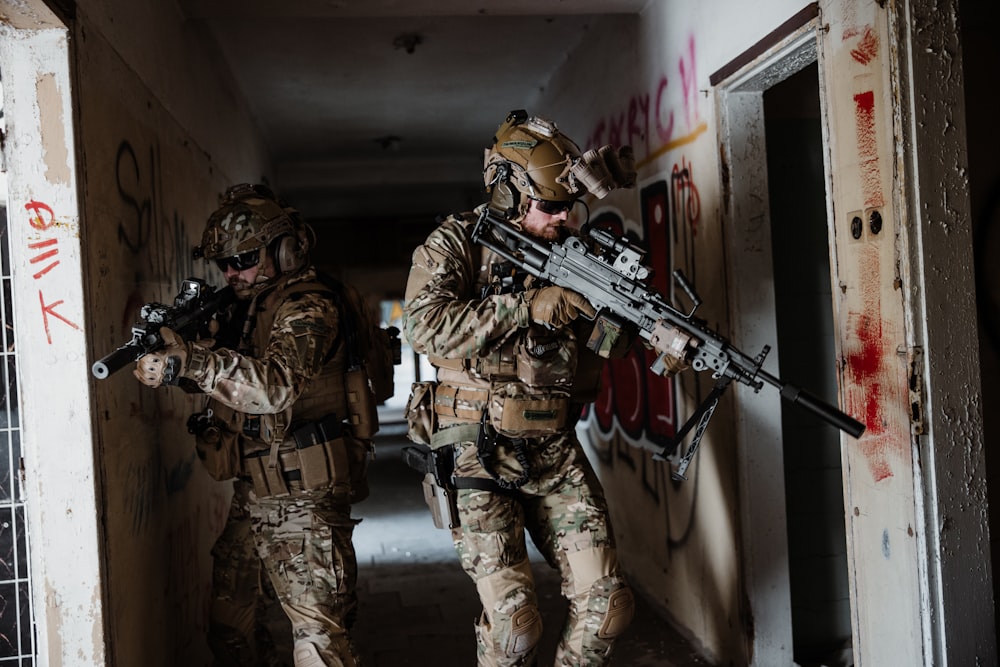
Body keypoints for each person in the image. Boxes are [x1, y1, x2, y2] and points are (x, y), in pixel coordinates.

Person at [402, 110, 678, 667]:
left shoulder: (575, 253)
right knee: (516, 625)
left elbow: (607, 347)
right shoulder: (455, 243)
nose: (561, 217)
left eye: (567, 206)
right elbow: (424, 327)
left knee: (608, 605)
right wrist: (527, 305)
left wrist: (632, 325)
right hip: (475, 448)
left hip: (552, 446)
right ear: (507, 192)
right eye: (548, 205)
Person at [133, 183, 379, 667]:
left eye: (244, 258)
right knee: (230, 628)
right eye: (223, 263)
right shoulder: (248, 307)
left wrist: (194, 363)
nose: (232, 273)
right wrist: (185, 363)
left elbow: (276, 387)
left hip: (306, 499)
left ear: (284, 252)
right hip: (256, 491)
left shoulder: (308, 306)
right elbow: (231, 386)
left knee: (321, 646)